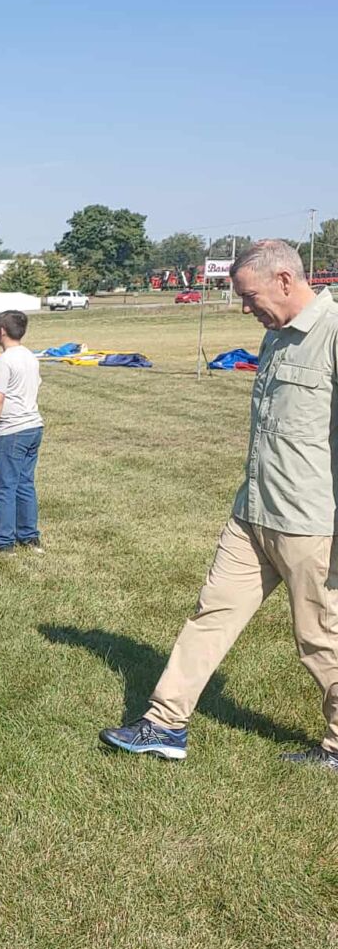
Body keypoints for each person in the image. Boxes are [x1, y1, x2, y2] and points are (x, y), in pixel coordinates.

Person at [103, 239, 338, 766]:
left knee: (321, 642)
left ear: (284, 279)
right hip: (251, 512)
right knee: (209, 616)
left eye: (251, 297)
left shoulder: (333, 333)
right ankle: (164, 723)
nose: (246, 308)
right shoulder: (275, 338)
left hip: (309, 523)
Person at [0, 309, 43, 553]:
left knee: (4, 486)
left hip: (13, 431)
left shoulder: (4, 360)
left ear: (1, 331)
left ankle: (2, 542)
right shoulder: (30, 356)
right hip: (34, 427)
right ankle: (29, 536)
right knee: (25, 483)